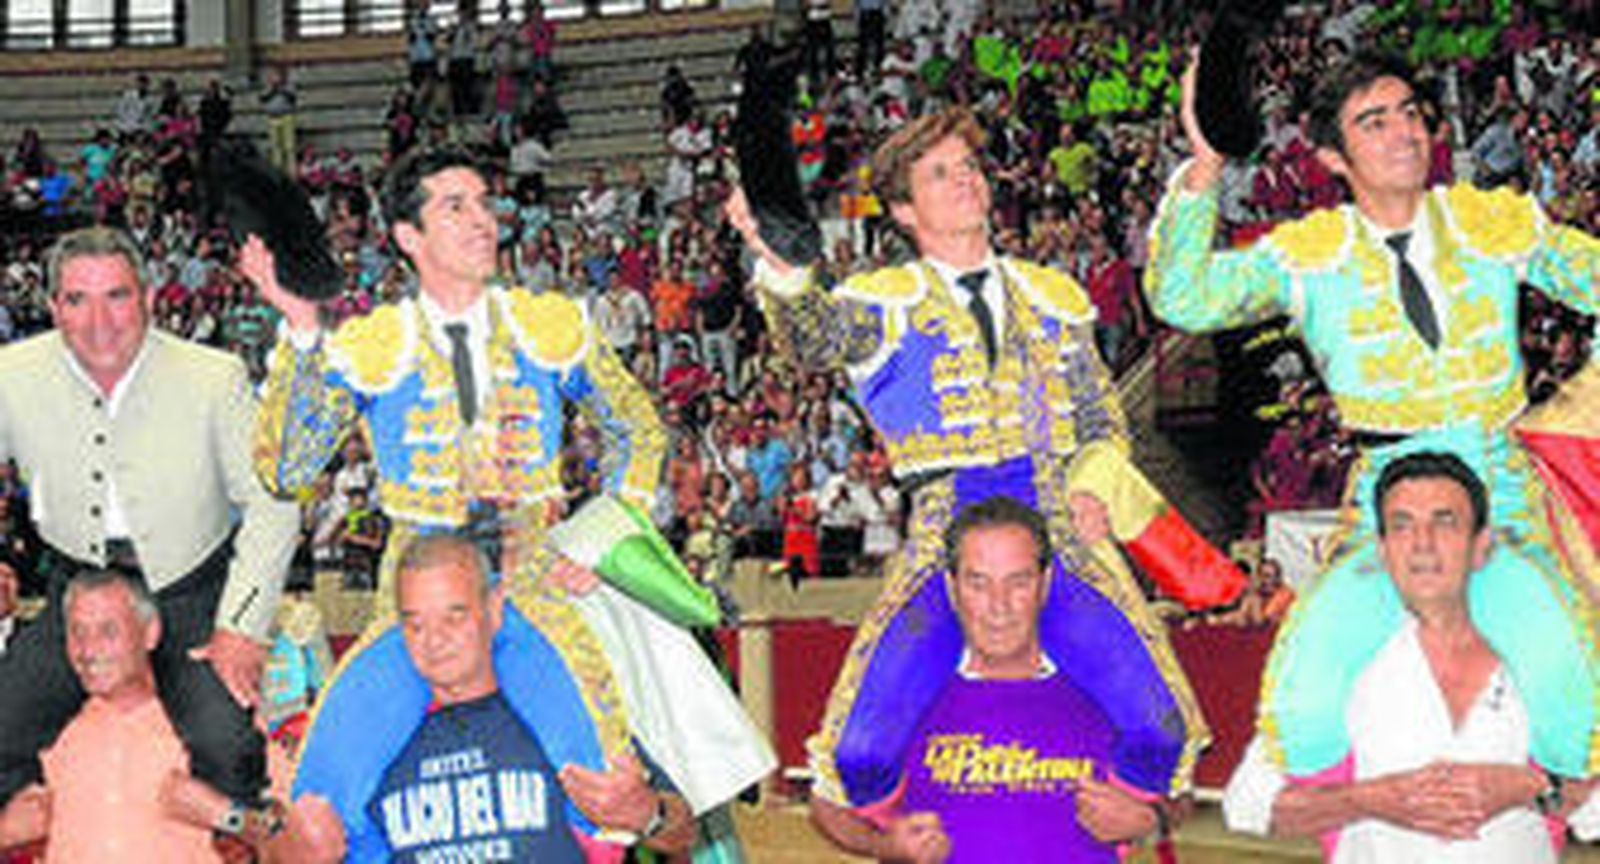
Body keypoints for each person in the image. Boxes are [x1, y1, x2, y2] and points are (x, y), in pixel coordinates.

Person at [247, 146, 770, 856]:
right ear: (408, 236)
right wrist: (301, 329)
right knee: (316, 803)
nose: (484, 221)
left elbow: (635, 427)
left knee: (611, 788)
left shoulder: (546, 322)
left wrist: (606, 535)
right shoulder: (370, 343)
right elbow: (286, 469)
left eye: (486, 205)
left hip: (533, 582)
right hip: (417, 600)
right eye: (455, 206)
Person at [728, 106, 1241, 815]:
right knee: (860, 754)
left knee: (1162, 731)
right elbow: (811, 339)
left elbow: (1099, 420)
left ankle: (1087, 841)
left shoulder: (1051, 294)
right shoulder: (882, 301)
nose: (964, 179)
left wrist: (1093, 482)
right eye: (939, 173)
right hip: (947, 526)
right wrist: (781, 262)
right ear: (904, 210)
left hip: (1056, 523)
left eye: (968, 166)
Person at [1146, 48, 1600, 782]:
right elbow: (1183, 297)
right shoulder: (1310, 254)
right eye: (1375, 121)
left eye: (1411, 115)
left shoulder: (1492, 220)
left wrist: (1581, 406)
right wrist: (1204, 168)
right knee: (1305, 711)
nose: (1404, 133)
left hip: (1499, 486)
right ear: (1332, 154)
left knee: (1570, 706)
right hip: (1386, 492)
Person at [0, 227, 298, 821]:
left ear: (149, 297)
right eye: (77, 300)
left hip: (191, 591)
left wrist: (241, 627)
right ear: (53, 305)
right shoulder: (10, 373)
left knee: (228, 752)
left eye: (117, 296)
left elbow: (274, 505)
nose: (98, 320)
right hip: (76, 590)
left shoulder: (216, 377)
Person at [1223, 451, 1600, 860]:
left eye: (1445, 522)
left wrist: (1532, 788)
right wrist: (1370, 801)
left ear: (1481, 546)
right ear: (1383, 551)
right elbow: (1248, 806)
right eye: (1403, 525)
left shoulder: (1549, 659)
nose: (1423, 544)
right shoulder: (1338, 658)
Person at [272, 535, 697, 862]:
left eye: (454, 617)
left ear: (494, 609)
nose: (433, 642)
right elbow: (283, 850)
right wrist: (293, 851)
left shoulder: (561, 707)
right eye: (415, 625)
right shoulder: (366, 735)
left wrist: (649, 815)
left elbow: (683, 832)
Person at [812, 497, 1172, 861]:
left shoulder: (1108, 687)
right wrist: (883, 846)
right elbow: (826, 804)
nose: (999, 605)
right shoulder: (907, 687)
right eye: (978, 583)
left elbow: (1178, 791)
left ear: (1045, 582)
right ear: (952, 587)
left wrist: (1149, 821)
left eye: (1018, 582)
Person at [0, 569, 293, 861]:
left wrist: (227, 816)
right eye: (77, 632)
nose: (88, 650)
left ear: (150, 633)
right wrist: (6, 833)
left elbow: (306, 850)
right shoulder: (43, 725)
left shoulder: (218, 725)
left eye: (108, 631)